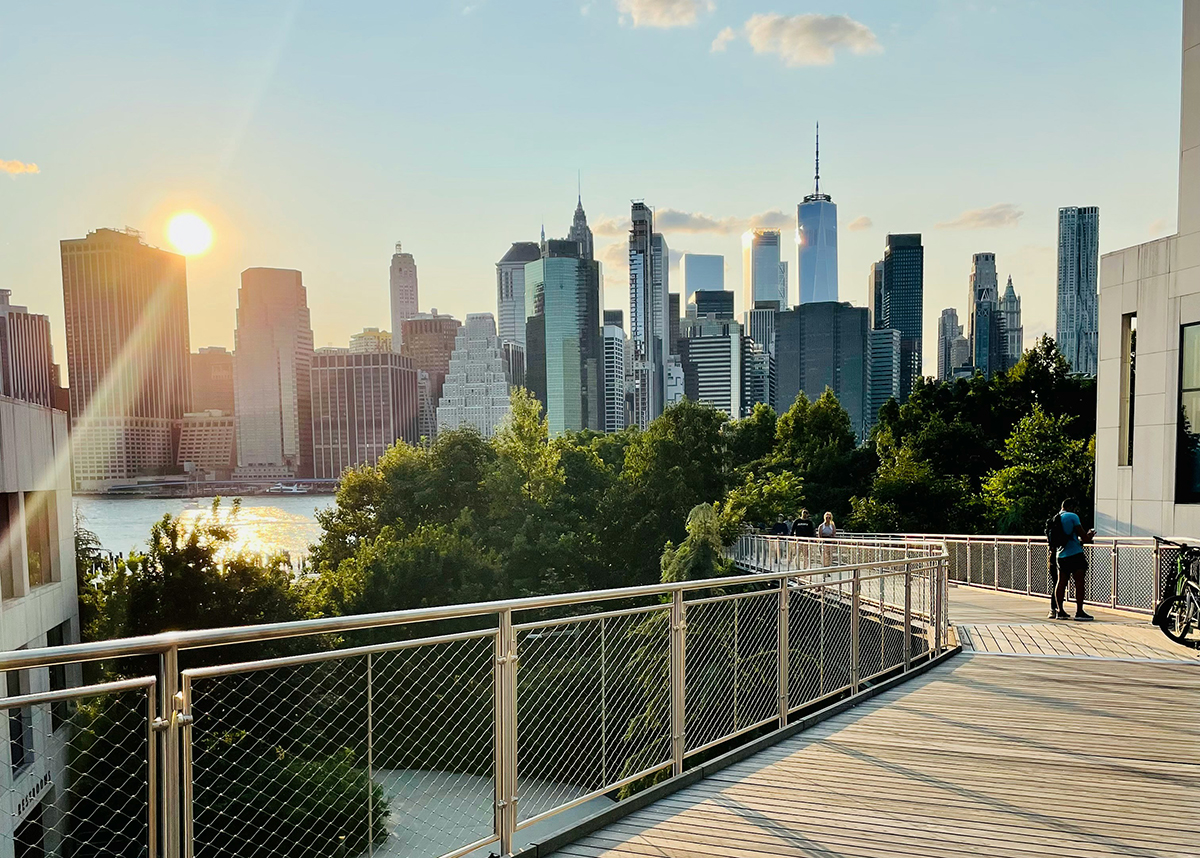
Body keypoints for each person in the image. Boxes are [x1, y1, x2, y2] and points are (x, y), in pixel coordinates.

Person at [1052, 498, 1096, 621]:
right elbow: (1084, 538)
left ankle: (1060, 611)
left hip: (1060, 556)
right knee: (1079, 583)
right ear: (1071, 507)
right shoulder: (1072, 516)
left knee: (1061, 583)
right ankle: (1079, 611)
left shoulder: (1056, 518)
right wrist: (1090, 535)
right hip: (1075, 554)